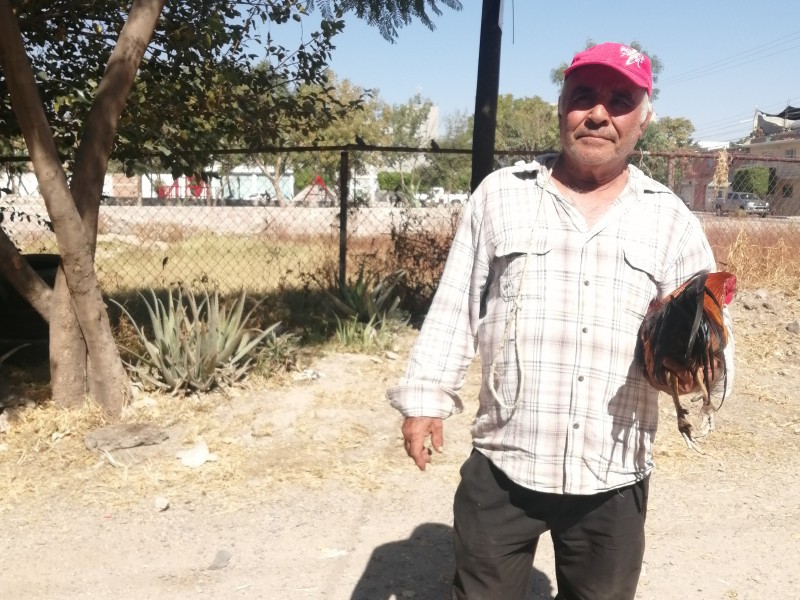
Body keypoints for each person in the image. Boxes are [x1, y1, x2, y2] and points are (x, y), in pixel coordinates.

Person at [386, 42, 734, 600]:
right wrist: (426, 397)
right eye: (583, 97)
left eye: (620, 101)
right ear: (561, 108)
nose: (598, 113)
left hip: (613, 475)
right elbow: (456, 304)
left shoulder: (671, 220)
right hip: (505, 463)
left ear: (643, 121)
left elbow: (709, 340)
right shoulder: (501, 196)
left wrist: (691, 371)